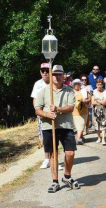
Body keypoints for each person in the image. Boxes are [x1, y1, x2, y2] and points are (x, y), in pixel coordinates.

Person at [34, 65, 79, 193]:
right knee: (53, 154)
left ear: (63, 76)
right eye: (55, 74)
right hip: (49, 127)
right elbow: (37, 109)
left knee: (70, 153)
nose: (57, 77)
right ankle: (55, 181)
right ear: (51, 75)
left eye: (60, 74)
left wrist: (58, 109)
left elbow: (71, 107)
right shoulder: (44, 91)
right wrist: (47, 114)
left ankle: (67, 176)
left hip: (66, 126)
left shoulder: (69, 90)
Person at [31, 63, 52, 169]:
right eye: (42, 70)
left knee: (54, 136)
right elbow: (34, 100)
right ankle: (46, 159)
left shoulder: (54, 82)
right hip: (42, 116)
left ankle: (55, 160)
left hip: (53, 114)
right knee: (45, 137)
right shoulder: (37, 84)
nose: (45, 72)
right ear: (40, 72)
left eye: (47, 70)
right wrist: (39, 112)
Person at [72, 79, 91, 145]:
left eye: (78, 84)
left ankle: (79, 138)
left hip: (84, 111)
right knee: (78, 126)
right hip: (75, 112)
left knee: (82, 125)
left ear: (80, 85)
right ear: (73, 85)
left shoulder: (84, 91)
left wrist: (86, 101)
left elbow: (89, 98)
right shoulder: (71, 92)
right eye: (75, 84)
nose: (77, 85)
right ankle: (80, 137)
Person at [92, 79, 106, 145]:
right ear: (96, 85)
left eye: (100, 84)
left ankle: (103, 139)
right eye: (98, 85)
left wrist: (97, 101)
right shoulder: (93, 92)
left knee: (103, 124)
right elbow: (93, 102)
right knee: (97, 124)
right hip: (96, 110)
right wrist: (100, 102)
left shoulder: (105, 92)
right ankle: (99, 137)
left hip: (104, 110)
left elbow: (105, 103)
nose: (99, 86)